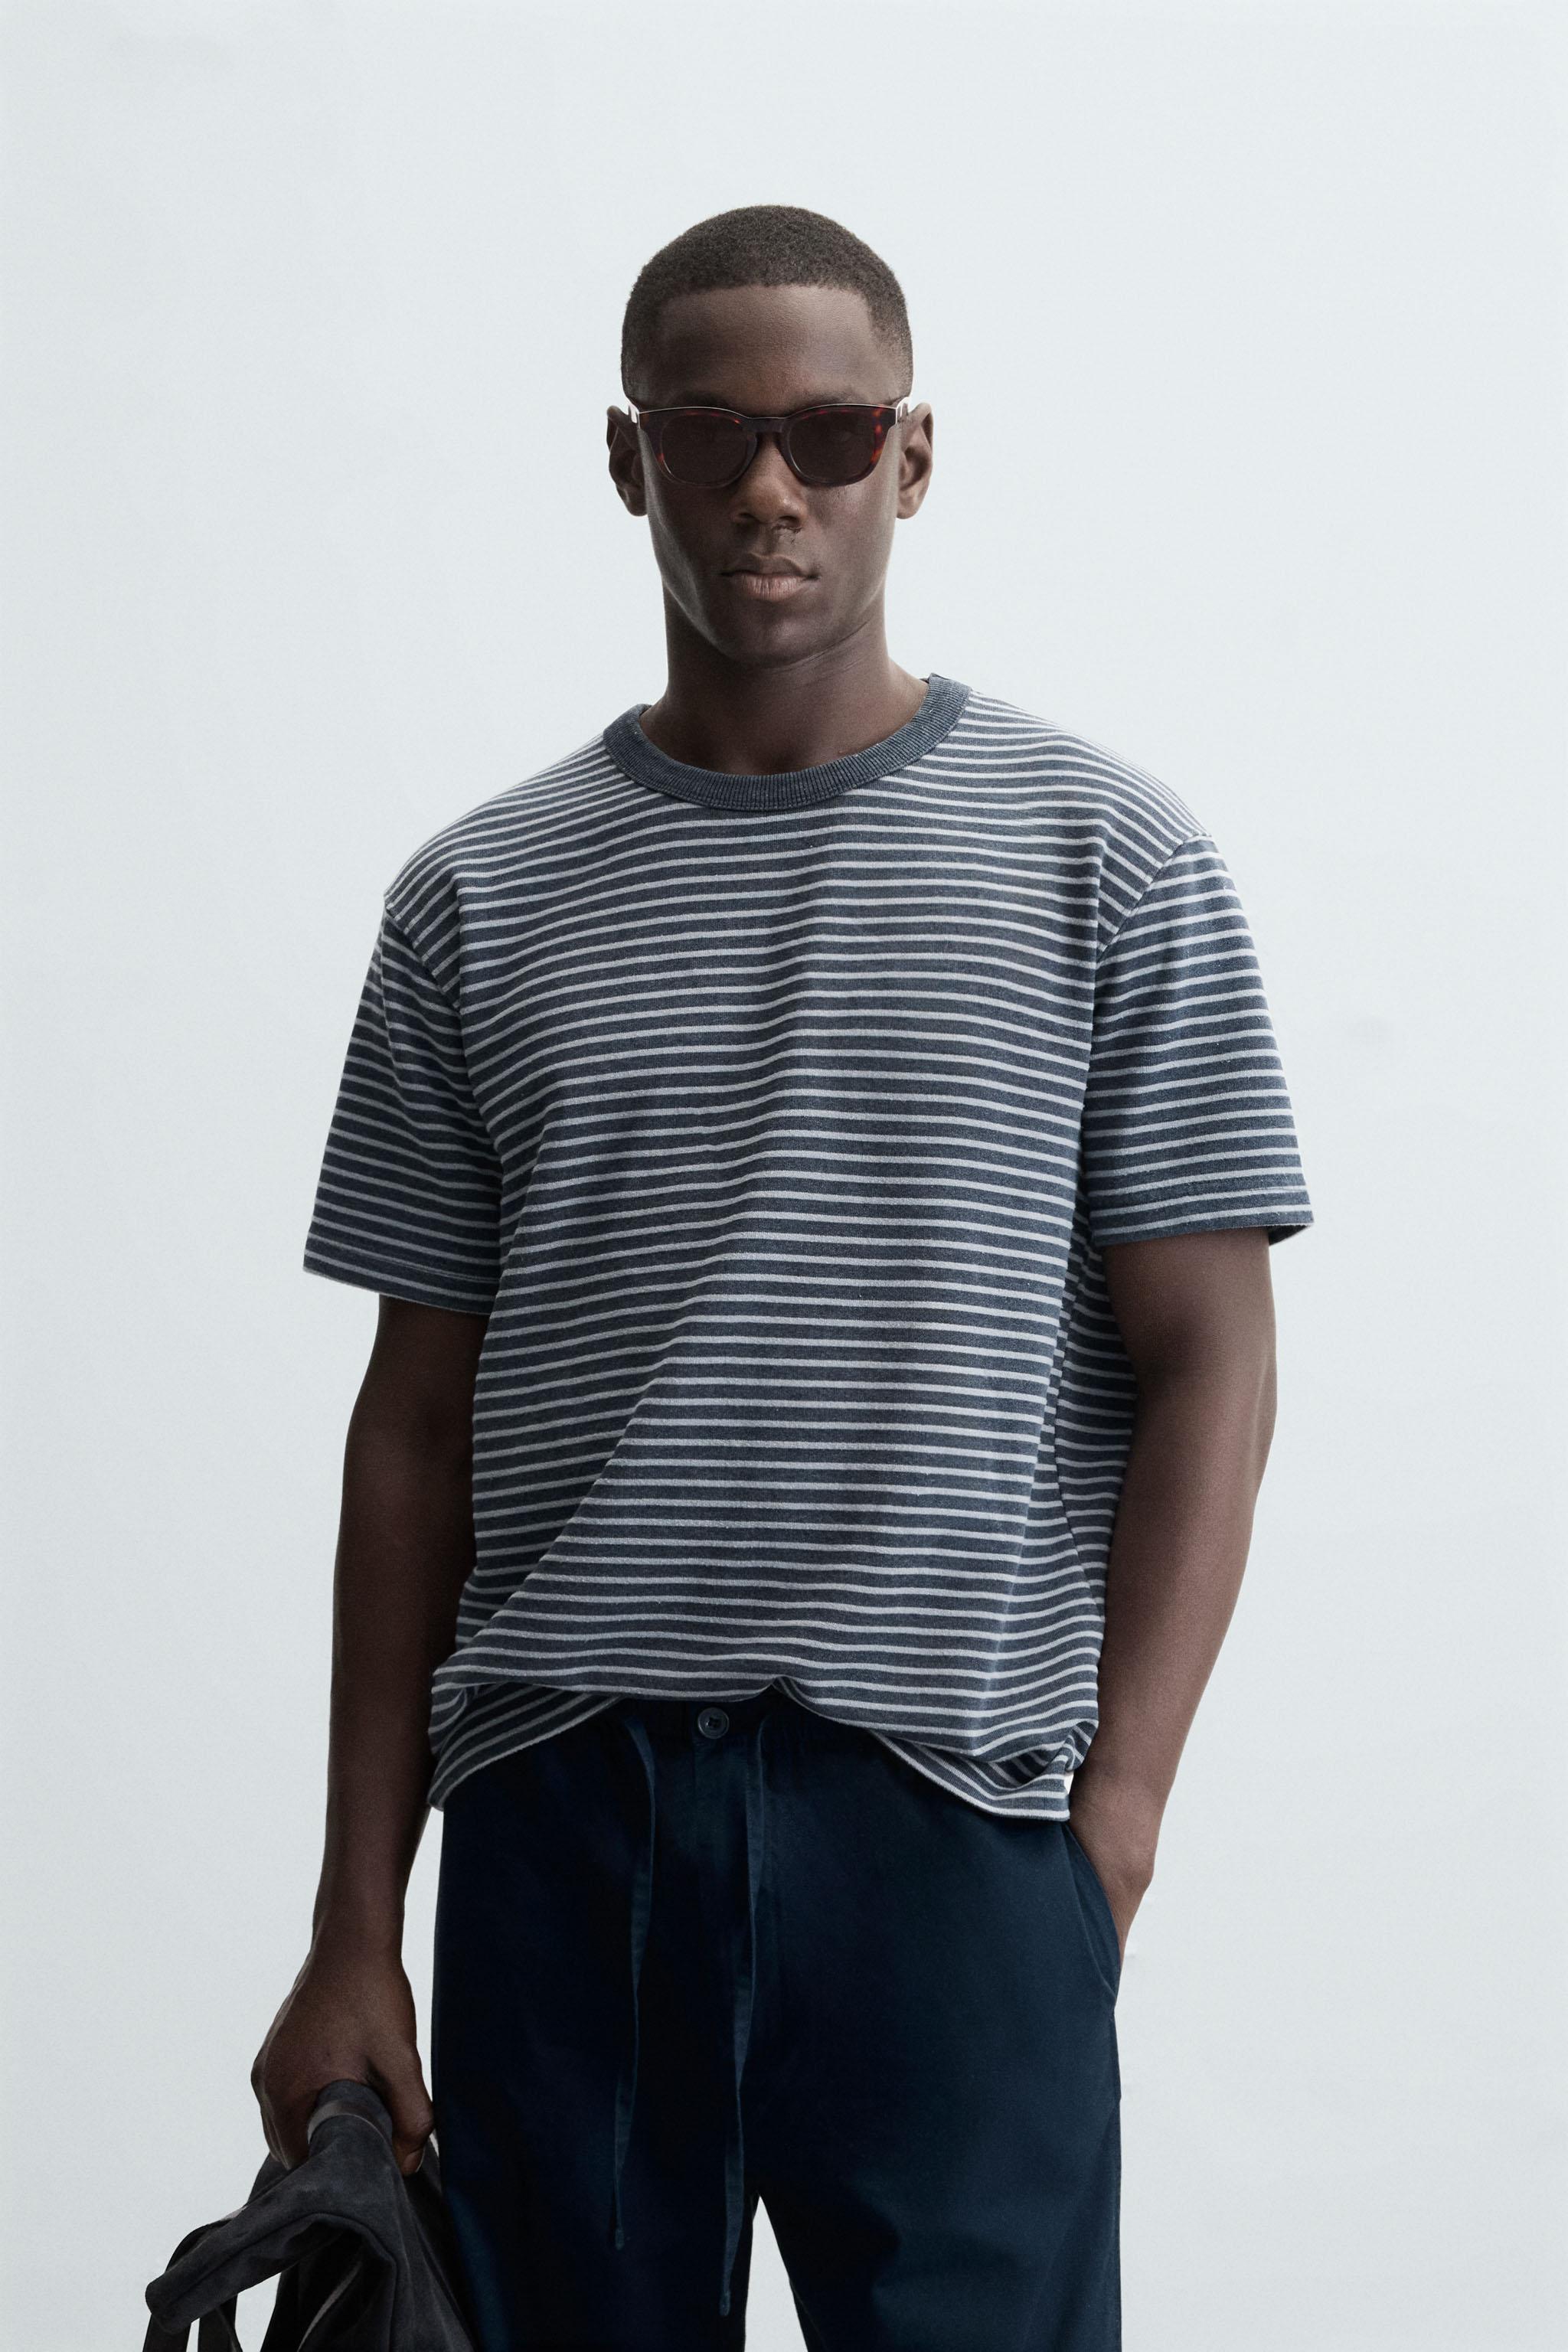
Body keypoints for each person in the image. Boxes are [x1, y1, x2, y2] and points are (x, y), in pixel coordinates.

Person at [252, 203, 1314, 2351]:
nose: (769, 488)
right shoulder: (473, 901)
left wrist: (1112, 1823)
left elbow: (1213, 1360)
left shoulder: (1109, 862)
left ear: (912, 457)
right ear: (624, 457)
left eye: (828, 433)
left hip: (951, 1820)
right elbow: (413, 1431)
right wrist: (357, 1917)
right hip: (567, 1817)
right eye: (707, 432)